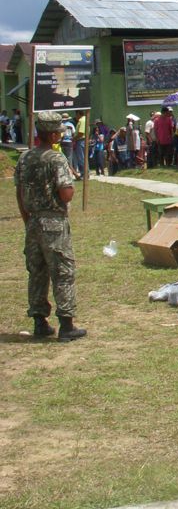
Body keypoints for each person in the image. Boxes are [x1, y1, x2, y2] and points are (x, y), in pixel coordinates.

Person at [14, 111, 86, 341]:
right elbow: (65, 194)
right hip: (53, 222)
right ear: (53, 134)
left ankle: (39, 322)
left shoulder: (25, 158)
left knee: (37, 272)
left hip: (33, 221)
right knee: (63, 271)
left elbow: (19, 192)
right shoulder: (56, 159)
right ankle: (66, 325)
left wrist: (28, 219)